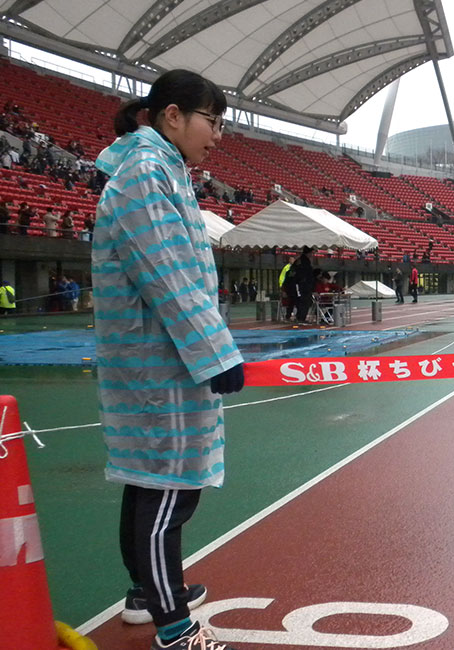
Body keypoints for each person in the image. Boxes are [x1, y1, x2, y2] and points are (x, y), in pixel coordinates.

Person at [92, 68, 244, 650]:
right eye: (213, 120)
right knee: (168, 489)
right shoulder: (146, 173)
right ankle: (174, 626)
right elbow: (168, 275)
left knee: (147, 478)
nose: (219, 135)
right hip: (160, 361)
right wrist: (216, 354)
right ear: (173, 115)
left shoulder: (164, 170)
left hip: (160, 357)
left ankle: (145, 593)